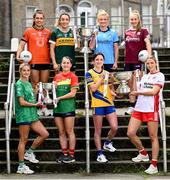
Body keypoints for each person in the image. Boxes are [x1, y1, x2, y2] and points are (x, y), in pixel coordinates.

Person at [127, 56, 165, 174]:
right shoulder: (144, 76)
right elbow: (134, 91)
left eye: (151, 63)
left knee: (153, 137)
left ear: (155, 63)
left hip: (151, 109)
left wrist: (138, 92)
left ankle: (154, 165)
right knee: (130, 133)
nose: (149, 65)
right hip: (139, 108)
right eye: (147, 63)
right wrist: (133, 78)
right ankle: (143, 153)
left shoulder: (160, 76)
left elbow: (153, 92)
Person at [15, 63, 49, 174]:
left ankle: (29, 152)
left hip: (32, 114)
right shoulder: (19, 84)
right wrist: (35, 105)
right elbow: (21, 102)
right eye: (24, 70)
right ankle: (21, 166)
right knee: (23, 140)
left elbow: (31, 98)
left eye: (28, 70)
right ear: (20, 72)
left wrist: (36, 91)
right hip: (24, 114)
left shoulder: (29, 84)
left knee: (44, 134)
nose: (26, 72)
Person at [86, 53, 118, 163]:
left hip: (109, 103)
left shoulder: (107, 73)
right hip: (97, 104)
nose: (99, 61)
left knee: (114, 127)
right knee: (98, 130)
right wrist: (101, 78)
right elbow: (93, 88)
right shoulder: (89, 73)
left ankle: (107, 142)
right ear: (93, 62)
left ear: (103, 61)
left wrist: (114, 91)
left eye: (101, 59)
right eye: (97, 59)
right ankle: (100, 153)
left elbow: (109, 87)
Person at [124, 10, 152, 114]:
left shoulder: (143, 30)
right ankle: (132, 106)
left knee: (138, 83)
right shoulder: (127, 31)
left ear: (138, 20)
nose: (133, 21)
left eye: (135, 19)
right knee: (130, 84)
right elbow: (127, 48)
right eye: (131, 19)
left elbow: (147, 42)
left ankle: (140, 106)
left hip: (138, 61)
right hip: (128, 61)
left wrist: (149, 57)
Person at [53, 56, 79, 163]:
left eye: (68, 63)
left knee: (69, 131)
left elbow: (73, 94)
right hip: (58, 108)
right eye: (64, 63)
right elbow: (53, 93)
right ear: (61, 64)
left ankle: (71, 155)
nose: (66, 65)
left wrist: (59, 98)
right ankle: (64, 154)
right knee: (61, 132)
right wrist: (53, 87)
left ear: (71, 65)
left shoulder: (73, 76)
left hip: (68, 107)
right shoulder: (57, 77)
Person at [16, 9, 51, 89]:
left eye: (41, 18)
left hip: (46, 62)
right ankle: (34, 101)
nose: (39, 20)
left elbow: (52, 47)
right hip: (33, 62)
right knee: (35, 85)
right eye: (37, 18)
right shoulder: (28, 31)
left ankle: (43, 102)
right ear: (34, 19)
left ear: (43, 19)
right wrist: (18, 56)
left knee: (44, 86)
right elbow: (21, 45)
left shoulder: (48, 32)